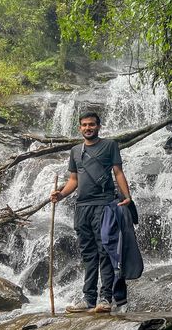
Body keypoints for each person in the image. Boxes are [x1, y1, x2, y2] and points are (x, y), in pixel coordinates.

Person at [50, 111, 132, 313]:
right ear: (80, 128)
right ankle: (89, 299)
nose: (88, 128)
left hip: (104, 205)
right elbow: (73, 181)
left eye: (92, 125)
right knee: (88, 254)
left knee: (105, 251)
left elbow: (118, 172)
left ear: (98, 126)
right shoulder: (75, 151)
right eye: (85, 125)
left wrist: (127, 195)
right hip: (82, 207)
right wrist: (60, 195)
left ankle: (105, 299)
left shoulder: (110, 145)